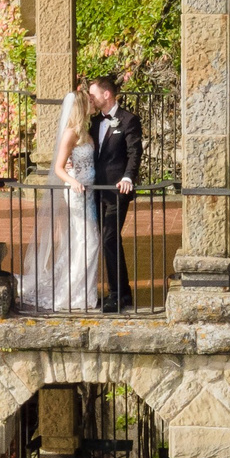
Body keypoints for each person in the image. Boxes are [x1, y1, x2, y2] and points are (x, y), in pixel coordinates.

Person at [15, 88, 100, 311]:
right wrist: (73, 182)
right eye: (90, 101)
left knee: (83, 242)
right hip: (76, 193)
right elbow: (58, 168)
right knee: (89, 242)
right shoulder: (70, 133)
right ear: (82, 106)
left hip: (89, 193)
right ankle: (71, 294)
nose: (94, 104)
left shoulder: (86, 131)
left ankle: (83, 293)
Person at [85, 75, 145, 312]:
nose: (91, 98)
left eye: (93, 94)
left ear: (106, 94)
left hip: (118, 190)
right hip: (95, 189)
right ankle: (124, 292)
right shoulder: (94, 122)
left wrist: (128, 177)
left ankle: (116, 295)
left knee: (110, 237)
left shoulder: (129, 120)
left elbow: (134, 152)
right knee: (109, 239)